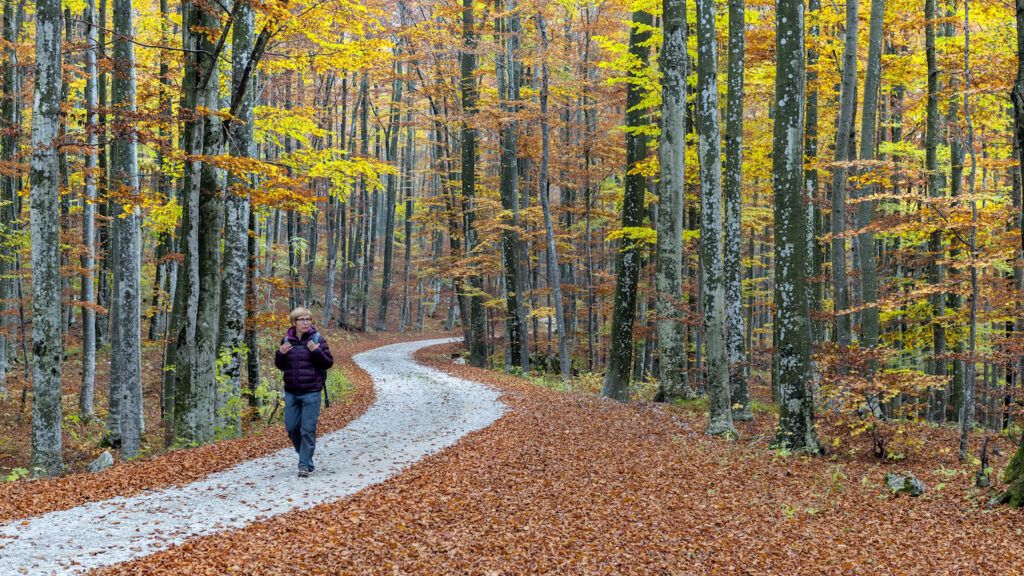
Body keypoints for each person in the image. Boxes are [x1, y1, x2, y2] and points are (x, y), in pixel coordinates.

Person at [274, 306, 334, 477]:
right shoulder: (286, 340)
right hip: (291, 392)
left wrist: (316, 351)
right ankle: (304, 456)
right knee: (292, 428)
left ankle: (304, 465)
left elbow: (328, 363)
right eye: (302, 319)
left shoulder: (317, 339)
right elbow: (280, 365)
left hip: (311, 391)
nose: (306, 322)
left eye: (308, 319)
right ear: (294, 322)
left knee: (307, 429)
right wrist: (280, 353)